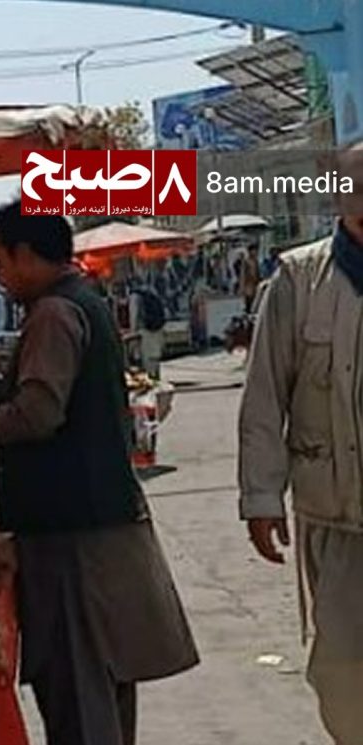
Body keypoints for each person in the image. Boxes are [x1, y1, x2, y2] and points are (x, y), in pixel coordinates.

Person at [0, 202, 198, 745]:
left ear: (27, 254)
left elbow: (37, 415)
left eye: (4, 262)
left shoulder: (54, 313)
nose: (1, 278)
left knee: (79, 685)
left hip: (72, 534)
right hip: (93, 521)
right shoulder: (82, 302)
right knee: (102, 683)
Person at [238, 143, 363, 744]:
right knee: (341, 673)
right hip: (337, 521)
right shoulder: (298, 279)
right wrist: (261, 497)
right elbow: (264, 397)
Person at [129, 280, 166, 378]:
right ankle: (157, 378)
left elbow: (134, 317)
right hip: (156, 330)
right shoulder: (152, 293)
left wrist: (132, 337)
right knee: (155, 359)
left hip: (144, 332)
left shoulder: (134, 297)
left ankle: (151, 381)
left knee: (147, 362)